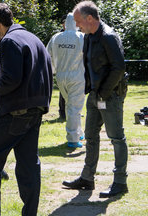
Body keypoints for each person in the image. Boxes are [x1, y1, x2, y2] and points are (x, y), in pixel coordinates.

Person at [0, 2, 53, 216]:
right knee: (28, 165)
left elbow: (11, 80)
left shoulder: (9, 41)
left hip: (15, 112)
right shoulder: (33, 37)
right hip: (36, 109)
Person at [63, 1, 128, 198]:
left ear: (89, 18)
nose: (76, 26)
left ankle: (120, 182)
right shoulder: (89, 36)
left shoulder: (108, 37)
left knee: (116, 138)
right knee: (90, 136)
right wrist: (92, 90)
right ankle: (87, 178)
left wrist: (104, 93)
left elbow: (119, 68)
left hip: (111, 94)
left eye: (78, 22)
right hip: (95, 94)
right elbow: (89, 63)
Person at [47, 13, 85, 148]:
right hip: (77, 76)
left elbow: (48, 56)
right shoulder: (81, 37)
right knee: (75, 107)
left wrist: (51, 72)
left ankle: (78, 132)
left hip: (61, 76)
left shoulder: (56, 37)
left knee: (71, 105)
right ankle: (73, 138)